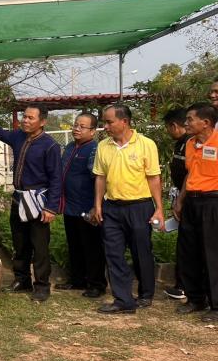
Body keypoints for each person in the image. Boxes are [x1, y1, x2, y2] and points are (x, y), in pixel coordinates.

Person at [0, 105, 62, 302]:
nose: (25, 120)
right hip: (18, 198)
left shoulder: (50, 145)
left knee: (39, 245)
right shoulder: (18, 136)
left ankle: (42, 286)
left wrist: (51, 207)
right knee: (20, 242)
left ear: (42, 122)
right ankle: (22, 280)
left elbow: (56, 179)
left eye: (30, 118)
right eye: (24, 117)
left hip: (37, 201)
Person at [92, 104, 164, 314]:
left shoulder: (146, 144)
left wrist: (159, 208)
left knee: (141, 251)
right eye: (104, 122)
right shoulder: (103, 146)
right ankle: (123, 299)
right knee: (113, 252)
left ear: (124, 121)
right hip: (112, 207)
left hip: (140, 206)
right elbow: (100, 177)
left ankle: (146, 294)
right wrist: (98, 205)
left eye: (109, 122)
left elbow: (153, 178)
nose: (105, 126)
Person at [173, 103, 218, 321]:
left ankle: (216, 305)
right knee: (188, 251)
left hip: (213, 202)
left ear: (206, 122)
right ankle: (195, 299)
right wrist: (180, 201)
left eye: (190, 119)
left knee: (212, 254)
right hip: (191, 201)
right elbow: (190, 175)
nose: (186, 123)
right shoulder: (190, 144)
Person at [58, 112, 106, 298]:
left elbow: (99, 179)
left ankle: (96, 284)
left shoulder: (94, 149)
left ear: (93, 131)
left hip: (87, 207)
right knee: (74, 245)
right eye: (75, 125)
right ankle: (77, 280)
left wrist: (96, 206)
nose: (77, 129)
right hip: (70, 207)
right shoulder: (70, 146)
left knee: (92, 247)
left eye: (82, 126)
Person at [162, 108, 189, 300]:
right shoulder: (180, 144)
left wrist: (180, 200)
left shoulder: (191, 143)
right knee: (184, 243)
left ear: (174, 125)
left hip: (190, 200)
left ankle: (185, 286)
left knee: (188, 244)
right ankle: (182, 285)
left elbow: (190, 174)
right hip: (182, 197)